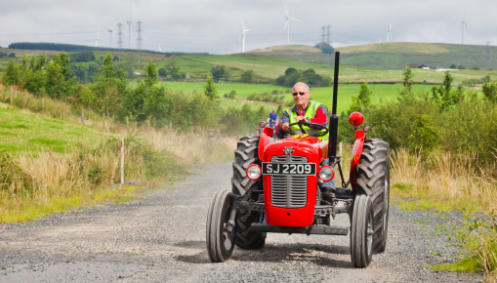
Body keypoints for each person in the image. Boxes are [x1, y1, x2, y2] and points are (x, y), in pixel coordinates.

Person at [276, 82, 336, 203]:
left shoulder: (318, 107)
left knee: (325, 163)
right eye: (295, 93)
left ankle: (327, 189)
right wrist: (283, 127)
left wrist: (307, 120)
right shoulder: (288, 112)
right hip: (296, 147)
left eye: (301, 93)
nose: (298, 96)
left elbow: (322, 121)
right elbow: (280, 130)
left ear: (308, 94)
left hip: (318, 144)